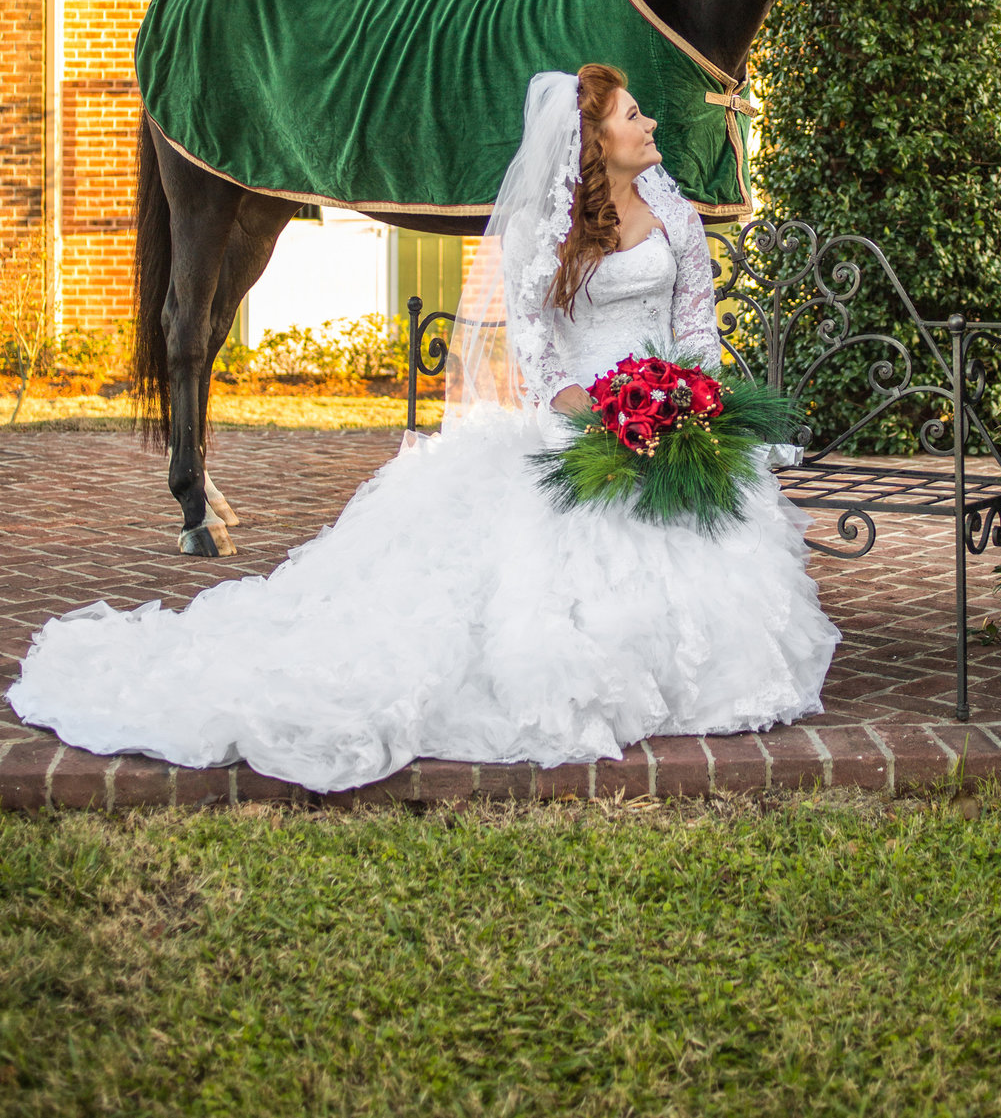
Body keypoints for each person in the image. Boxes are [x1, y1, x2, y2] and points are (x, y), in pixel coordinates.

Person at [10, 66, 839, 793]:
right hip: (580, 424)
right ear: (593, 142)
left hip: (676, 416)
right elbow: (541, 354)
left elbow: (697, 327)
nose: (650, 124)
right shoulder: (542, 235)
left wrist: (686, 401)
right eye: (632, 116)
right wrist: (604, 414)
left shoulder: (676, 217)